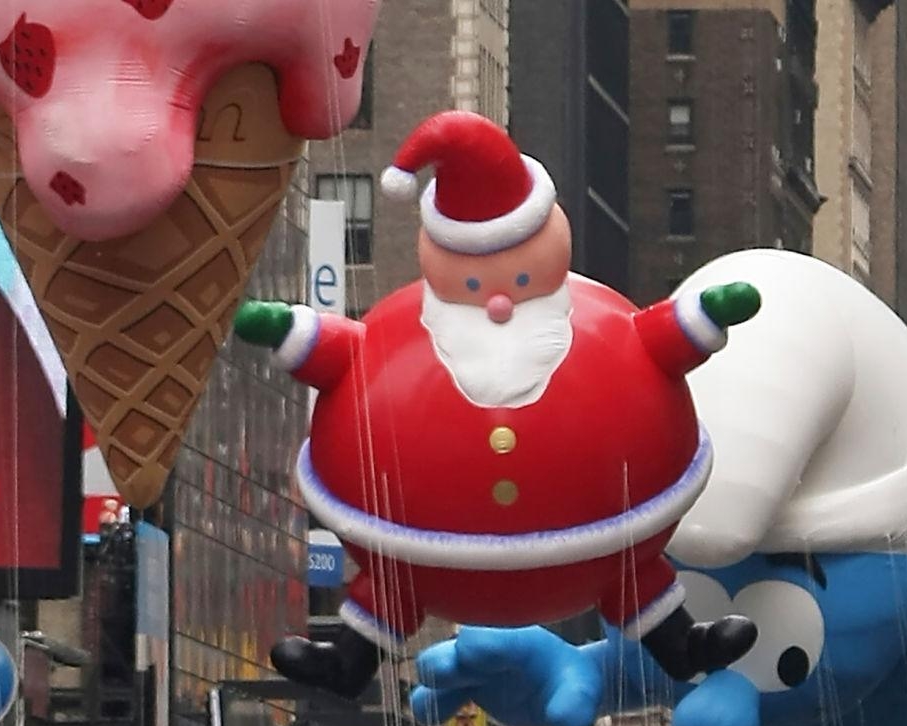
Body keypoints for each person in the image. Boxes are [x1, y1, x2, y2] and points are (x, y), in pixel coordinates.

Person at [236, 110, 761, 696]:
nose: (501, 305)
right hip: (412, 548)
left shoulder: (602, 329)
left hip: (608, 539)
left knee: (631, 576)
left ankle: (683, 645)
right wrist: (286, 329)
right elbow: (336, 352)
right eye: (475, 282)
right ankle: (348, 663)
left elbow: (660, 338)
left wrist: (706, 315)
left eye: (519, 276)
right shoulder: (392, 341)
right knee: (391, 585)